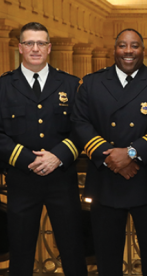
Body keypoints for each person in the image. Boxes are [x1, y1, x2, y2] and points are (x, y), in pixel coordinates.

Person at [71, 28, 147, 276]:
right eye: (122, 46)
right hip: (106, 182)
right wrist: (112, 158)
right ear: (114, 49)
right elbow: (80, 123)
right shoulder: (91, 83)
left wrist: (131, 153)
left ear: (143, 50)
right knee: (106, 261)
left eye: (134, 46)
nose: (128, 51)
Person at [0, 22, 87, 276]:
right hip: (20, 180)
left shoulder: (71, 85)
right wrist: (28, 159)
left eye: (40, 43)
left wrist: (58, 156)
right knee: (21, 252)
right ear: (20, 48)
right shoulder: (3, 86)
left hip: (62, 179)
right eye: (29, 43)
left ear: (49, 48)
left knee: (72, 250)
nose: (35, 48)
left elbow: (81, 128)